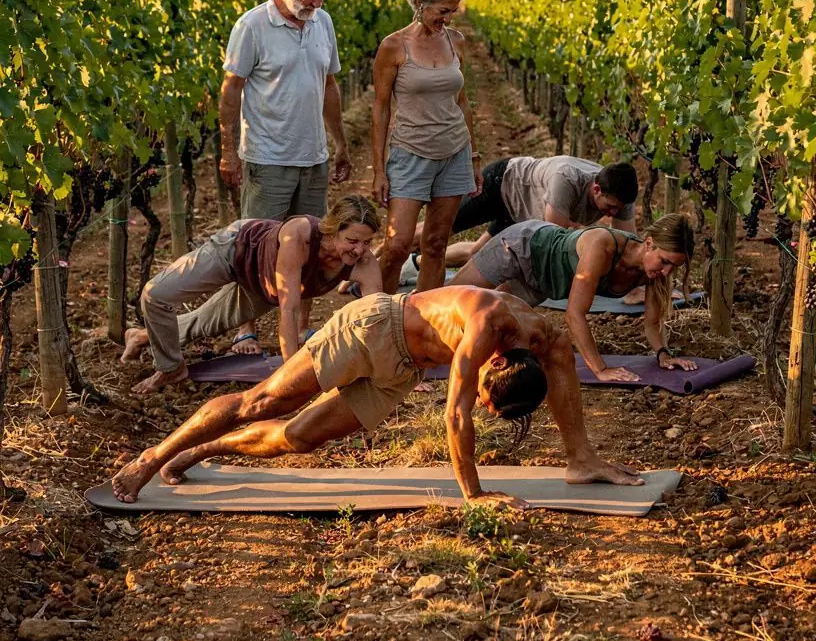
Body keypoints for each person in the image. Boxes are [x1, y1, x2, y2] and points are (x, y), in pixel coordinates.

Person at [111, 286, 641, 505]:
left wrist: (580, 455)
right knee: (264, 402)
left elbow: (565, 376)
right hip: (373, 328)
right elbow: (456, 415)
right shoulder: (485, 325)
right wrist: (474, 497)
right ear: (495, 362)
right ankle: (153, 456)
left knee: (298, 439)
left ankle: (200, 451)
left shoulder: (545, 339)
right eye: (488, 393)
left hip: (403, 369)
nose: (480, 400)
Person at [219, 0, 351, 353]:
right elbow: (230, 91)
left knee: (312, 244)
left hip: (313, 156)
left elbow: (329, 86)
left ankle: (303, 327)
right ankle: (246, 330)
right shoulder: (253, 25)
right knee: (255, 245)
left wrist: (341, 142)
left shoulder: (322, 23)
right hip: (267, 156)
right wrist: (228, 151)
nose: (316, 3)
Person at [120, 195, 381, 396]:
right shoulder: (300, 236)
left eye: (367, 242)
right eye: (352, 240)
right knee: (156, 294)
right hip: (235, 250)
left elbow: (376, 321)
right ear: (333, 229)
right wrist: (290, 377)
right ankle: (170, 368)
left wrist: (386, 372)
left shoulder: (365, 264)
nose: (360, 250)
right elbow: (288, 308)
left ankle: (141, 336)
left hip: (260, 288)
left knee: (203, 325)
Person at [451, 214, 697, 385]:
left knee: (490, 325)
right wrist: (600, 369)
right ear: (649, 244)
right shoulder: (604, 246)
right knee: (452, 298)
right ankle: (413, 355)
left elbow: (652, 324)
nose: (666, 272)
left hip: (541, 284)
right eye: (664, 261)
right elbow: (574, 314)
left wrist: (664, 354)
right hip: (523, 247)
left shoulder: (654, 274)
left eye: (673, 267)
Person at [372, 0, 481, 294]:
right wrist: (379, 170)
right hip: (410, 155)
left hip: (454, 154)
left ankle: (424, 320)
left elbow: (462, 103)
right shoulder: (394, 47)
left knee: (435, 245)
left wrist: (474, 157)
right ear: (420, 4)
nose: (449, 18)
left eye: (454, 11)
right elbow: (380, 108)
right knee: (397, 245)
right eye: (443, 11)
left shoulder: (456, 41)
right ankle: (379, 315)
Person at [412, 156, 639, 272]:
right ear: (596, 189)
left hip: (525, 211)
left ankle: (414, 264)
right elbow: (555, 238)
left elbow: (628, 247)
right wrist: (593, 236)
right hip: (503, 184)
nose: (612, 214)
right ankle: (390, 251)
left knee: (476, 253)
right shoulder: (567, 180)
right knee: (436, 232)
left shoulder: (620, 194)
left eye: (617, 209)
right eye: (609, 207)